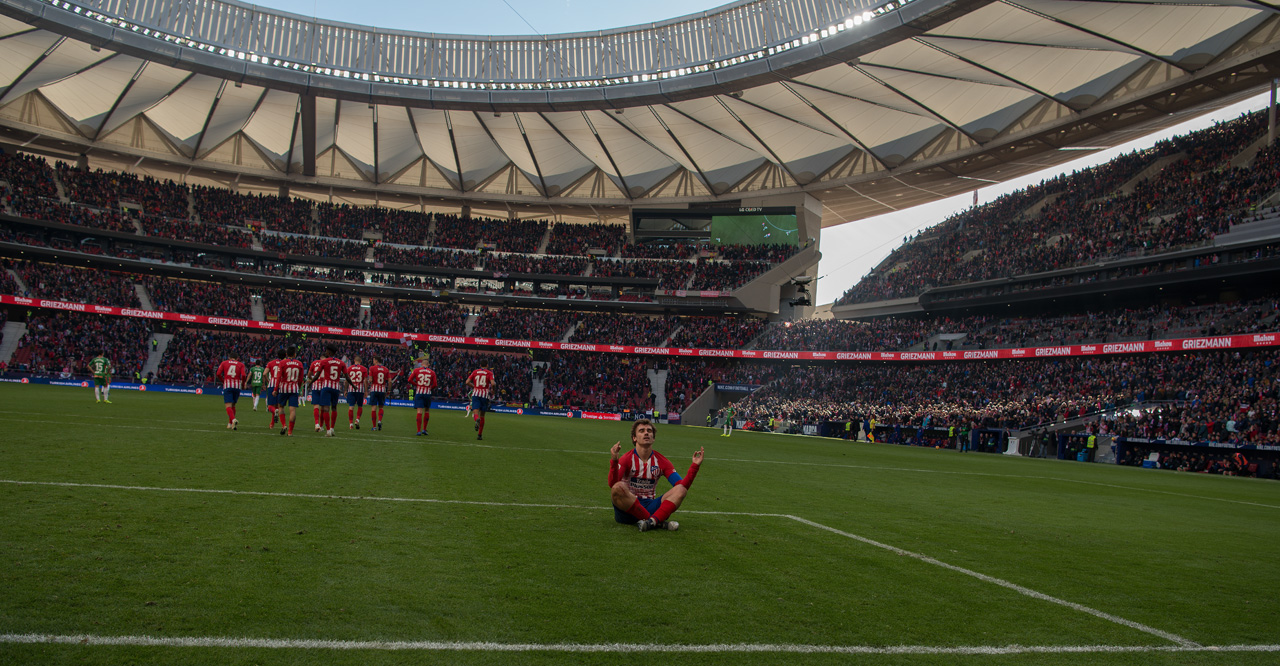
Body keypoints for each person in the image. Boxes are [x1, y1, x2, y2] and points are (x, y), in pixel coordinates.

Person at [609, 419, 703, 532]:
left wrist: (695, 466)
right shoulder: (627, 458)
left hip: (651, 505)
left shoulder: (662, 461)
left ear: (653, 438)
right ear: (634, 438)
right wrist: (614, 461)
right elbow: (612, 484)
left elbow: (682, 486)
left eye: (649, 431)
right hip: (627, 509)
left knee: (681, 490)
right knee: (617, 487)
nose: (646, 433)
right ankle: (656, 522)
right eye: (641, 431)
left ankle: (650, 522)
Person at [310, 344, 346, 437]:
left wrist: (310, 382)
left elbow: (316, 375)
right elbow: (347, 376)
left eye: (326, 351)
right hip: (336, 388)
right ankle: (332, 429)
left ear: (329, 352)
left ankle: (327, 429)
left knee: (324, 408)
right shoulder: (341, 362)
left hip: (325, 387)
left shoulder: (323, 362)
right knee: (334, 407)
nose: (325, 352)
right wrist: (353, 386)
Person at [276, 346, 306, 436]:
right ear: (294, 354)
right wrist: (298, 386)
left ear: (286, 354)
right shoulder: (299, 364)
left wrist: (275, 389)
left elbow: (278, 377)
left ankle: (284, 425)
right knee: (292, 410)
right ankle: (290, 432)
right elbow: (301, 379)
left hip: (284, 388)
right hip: (294, 388)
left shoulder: (282, 363)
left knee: (281, 407)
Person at [215, 352, 247, 430]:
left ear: (229, 357)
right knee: (233, 405)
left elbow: (218, 373)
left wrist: (223, 381)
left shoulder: (224, 363)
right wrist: (242, 384)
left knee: (228, 406)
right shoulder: (241, 364)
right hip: (237, 386)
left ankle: (233, 419)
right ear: (237, 358)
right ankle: (230, 424)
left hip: (228, 385)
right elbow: (243, 375)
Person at [406, 355, 438, 436]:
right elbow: (435, 384)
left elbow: (409, 380)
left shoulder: (417, 370)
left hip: (419, 393)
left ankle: (418, 431)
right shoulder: (432, 372)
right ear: (428, 365)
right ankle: (424, 429)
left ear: (421, 364)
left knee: (419, 411)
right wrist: (429, 388)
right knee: (426, 410)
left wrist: (416, 384)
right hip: (427, 393)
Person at [366, 355, 398, 431]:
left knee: (373, 408)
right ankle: (379, 420)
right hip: (382, 390)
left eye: (374, 360)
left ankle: (374, 427)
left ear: (376, 361)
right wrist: (389, 391)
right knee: (381, 407)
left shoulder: (372, 368)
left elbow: (370, 380)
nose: (373, 362)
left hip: (374, 389)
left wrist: (369, 381)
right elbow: (390, 381)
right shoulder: (386, 369)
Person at [466, 362, 496, 441]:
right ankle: (479, 435)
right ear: (487, 365)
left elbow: (467, 382)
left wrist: (474, 386)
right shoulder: (489, 373)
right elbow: (493, 383)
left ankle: (476, 419)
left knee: (475, 412)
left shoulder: (475, 372)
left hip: (476, 394)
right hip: (484, 396)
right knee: (482, 416)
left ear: (480, 365)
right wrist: (493, 390)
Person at [344, 355, 368, 430]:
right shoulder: (364, 369)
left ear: (354, 361)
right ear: (360, 361)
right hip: (360, 390)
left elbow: (346, 380)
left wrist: (345, 390)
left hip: (351, 390)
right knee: (360, 406)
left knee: (351, 407)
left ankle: (351, 424)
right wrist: (366, 391)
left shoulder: (349, 368)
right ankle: (357, 420)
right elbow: (365, 381)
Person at [265, 348, 285, 429]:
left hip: (272, 384)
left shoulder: (271, 363)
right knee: (278, 405)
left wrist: (268, 381)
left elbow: (264, 373)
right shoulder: (285, 363)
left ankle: (272, 422)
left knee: (270, 406)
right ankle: (272, 424)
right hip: (281, 385)